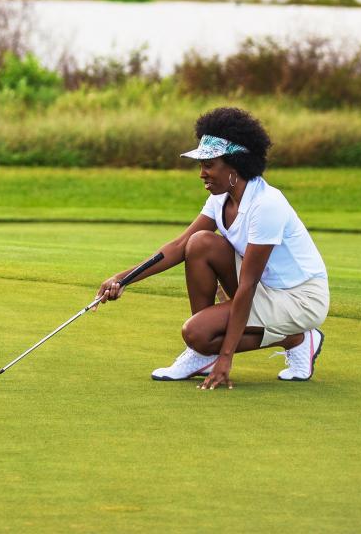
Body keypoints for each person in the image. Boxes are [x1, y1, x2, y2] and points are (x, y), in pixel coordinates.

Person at [96, 107, 329, 388]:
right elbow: (180, 245)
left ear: (235, 166)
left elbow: (248, 284)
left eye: (209, 164)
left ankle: (298, 337)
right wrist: (124, 278)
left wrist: (225, 357)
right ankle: (202, 352)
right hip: (266, 288)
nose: (202, 173)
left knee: (196, 332)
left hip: (301, 299)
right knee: (199, 243)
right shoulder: (221, 197)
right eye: (201, 165)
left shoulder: (266, 204)